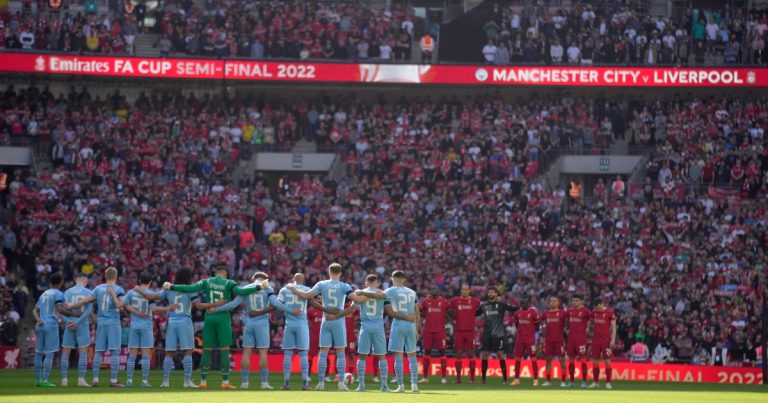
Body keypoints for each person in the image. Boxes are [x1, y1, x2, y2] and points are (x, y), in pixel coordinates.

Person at [163, 265, 269, 389]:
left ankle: (203, 381)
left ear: (216, 273)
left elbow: (190, 287)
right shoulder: (229, 282)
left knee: (206, 349)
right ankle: (225, 382)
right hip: (223, 317)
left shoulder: (207, 281)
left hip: (209, 316)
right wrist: (259, 286)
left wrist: (172, 286)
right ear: (225, 273)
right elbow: (241, 292)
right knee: (224, 349)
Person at [132, 268, 221, 388]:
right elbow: (199, 306)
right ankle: (187, 381)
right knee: (188, 351)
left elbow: (151, 297)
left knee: (169, 353)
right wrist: (215, 304)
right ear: (188, 277)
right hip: (185, 321)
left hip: (172, 322)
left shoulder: (169, 289)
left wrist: (139, 290)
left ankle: (165, 382)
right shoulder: (190, 289)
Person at [285, 262, 366, 390]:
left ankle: (321, 383)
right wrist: (368, 294)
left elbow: (307, 296)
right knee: (340, 353)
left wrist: (293, 288)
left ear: (329, 272)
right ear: (340, 273)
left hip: (325, 320)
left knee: (323, 352)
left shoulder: (322, 284)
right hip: (338, 321)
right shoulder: (344, 286)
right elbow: (356, 300)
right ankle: (341, 384)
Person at [211, 271, 298, 389]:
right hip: (262, 323)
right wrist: (291, 311)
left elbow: (233, 305)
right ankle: (264, 383)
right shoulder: (267, 288)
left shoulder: (245, 288)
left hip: (249, 323)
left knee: (246, 352)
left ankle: (245, 383)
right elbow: (276, 304)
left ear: (254, 279)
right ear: (264, 279)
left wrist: (217, 309)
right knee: (263, 353)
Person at [359, 270, 420, 393]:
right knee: (412, 355)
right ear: (403, 279)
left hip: (398, 324)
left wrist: (361, 292)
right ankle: (414, 386)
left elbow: (377, 296)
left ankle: (401, 386)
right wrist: (416, 329)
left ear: (393, 279)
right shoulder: (412, 292)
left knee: (398, 355)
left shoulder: (391, 291)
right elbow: (417, 312)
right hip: (411, 326)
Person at [329, 274, 391, 392]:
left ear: (366, 283)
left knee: (362, 356)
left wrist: (336, 316)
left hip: (365, 327)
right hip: (378, 327)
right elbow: (388, 308)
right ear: (377, 283)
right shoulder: (382, 293)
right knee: (382, 357)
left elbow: (351, 310)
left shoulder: (360, 293)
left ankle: (361, 385)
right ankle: (384, 386)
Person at [68, 267, 124, 387]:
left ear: (105, 275)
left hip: (101, 323)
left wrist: (71, 306)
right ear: (116, 276)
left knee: (98, 352)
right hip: (113, 322)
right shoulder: (118, 289)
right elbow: (120, 306)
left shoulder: (98, 288)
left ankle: (95, 380)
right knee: (114, 351)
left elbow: (84, 301)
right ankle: (113, 381)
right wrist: (113, 295)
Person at [122, 271, 177, 387]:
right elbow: (154, 309)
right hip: (146, 326)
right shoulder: (150, 293)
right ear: (150, 282)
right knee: (146, 355)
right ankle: (144, 381)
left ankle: (129, 381)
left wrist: (135, 312)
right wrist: (168, 308)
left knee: (132, 354)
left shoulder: (132, 292)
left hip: (134, 326)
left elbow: (124, 304)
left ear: (140, 280)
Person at [276, 273, 328, 390]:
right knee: (303, 354)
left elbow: (278, 305)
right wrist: (325, 309)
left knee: (288, 354)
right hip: (301, 324)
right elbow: (313, 303)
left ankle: (286, 383)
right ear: (303, 280)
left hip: (289, 325)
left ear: (293, 279)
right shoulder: (306, 289)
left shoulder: (284, 290)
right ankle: (305, 384)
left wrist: (289, 310)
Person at [33, 273, 78, 387]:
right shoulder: (58, 294)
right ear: (61, 282)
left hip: (40, 325)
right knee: (50, 352)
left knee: (38, 353)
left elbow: (34, 310)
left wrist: (38, 319)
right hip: (51, 325)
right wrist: (74, 314)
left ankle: (38, 380)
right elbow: (59, 309)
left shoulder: (44, 294)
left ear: (50, 282)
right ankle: (44, 380)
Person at [60, 273, 93, 387]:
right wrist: (78, 322)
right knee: (83, 352)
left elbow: (60, 310)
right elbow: (88, 311)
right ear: (85, 280)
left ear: (75, 280)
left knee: (65, 353)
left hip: (69, 324)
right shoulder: (88, 292)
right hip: (82, 324)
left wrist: (68, 321)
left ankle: (64, 380)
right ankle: (81, 380)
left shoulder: (67, 292)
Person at [476, 287, 514, 384]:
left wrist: (525, 307)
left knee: (500, 355)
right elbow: (476, 313)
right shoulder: (484, 304)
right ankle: (483, 379)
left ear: (496, 294)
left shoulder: (501, 304)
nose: (491, 293)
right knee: (484, 355)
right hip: (487, 335)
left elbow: (512, 308)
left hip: (499, 335)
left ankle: (505, 379)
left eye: (493, 292)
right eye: (489, 292)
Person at [418, 285, 451, 383]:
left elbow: (451, 313)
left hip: (440, 331)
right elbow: (419, 311)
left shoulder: (445, 302)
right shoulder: (426, 302)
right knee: (427, 353)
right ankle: (424, 377)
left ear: (439, 291)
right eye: (431, 289)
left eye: (435, 289)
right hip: (428, 331)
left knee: (442, 353)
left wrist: (446, 323)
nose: (433, 290)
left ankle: (444, 377)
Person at [449, 284, 481, 384]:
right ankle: (458, 378)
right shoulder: (455, 300)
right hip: (459, 331)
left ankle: (472, 379)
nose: (464, 291)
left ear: (469, 291)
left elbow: (483, 307)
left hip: (470, 332)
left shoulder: (476, 301)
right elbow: (447, 307)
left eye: (466, 289)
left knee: (471, 354)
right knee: (458, 354)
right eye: (463, 289)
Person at [511, 298, 540, 386]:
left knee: (533, 358)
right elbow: (517, 325)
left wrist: (530, 332)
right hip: (519, 339)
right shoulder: (517, 313)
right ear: (520, 303)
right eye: (522, 302)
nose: (524, 304)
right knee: (517, 359)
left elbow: (537, 326)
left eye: (525, 302)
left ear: (529, 303)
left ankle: (535, 380)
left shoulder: (533, 313)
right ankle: (516, 379)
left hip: (530, 340)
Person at [589, 299, 616, 389]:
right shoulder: (594, 312)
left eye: (599, 307)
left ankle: (608, 382)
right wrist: (588, 327)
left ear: (602, 304)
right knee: (595, 362)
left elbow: (614, 326)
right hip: (596, 340)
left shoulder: (609, 312)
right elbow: (591, 321)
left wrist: (613, 339)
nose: (597, 309)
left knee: (607, 362)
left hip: (606, 341)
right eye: (596, 308)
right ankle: (595, 382)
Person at [540, 296, 567, 387]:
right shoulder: (546, 313)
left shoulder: (563, 313)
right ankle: (548, 381)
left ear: (558, 303)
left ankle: (563, 381)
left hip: (559, 340)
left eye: (554, 301)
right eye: (550, 301)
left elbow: (568, 323)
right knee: (548, 361)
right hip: (549, 341)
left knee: (562, 360)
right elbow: (538, 320)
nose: (552, 302)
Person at [565, 295, 591, 387]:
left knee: (583, 360)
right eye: (573, 301)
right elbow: (567, 320)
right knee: (571, 360)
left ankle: (584, 382)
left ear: (580, 301)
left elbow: (591, 320)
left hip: (581, 339)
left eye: (576, 300)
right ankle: (572, 382)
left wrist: (588, 327)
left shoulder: (585, 311)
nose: (574, 302)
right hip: (571, 339)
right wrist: (567, 328)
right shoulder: (570, 311)